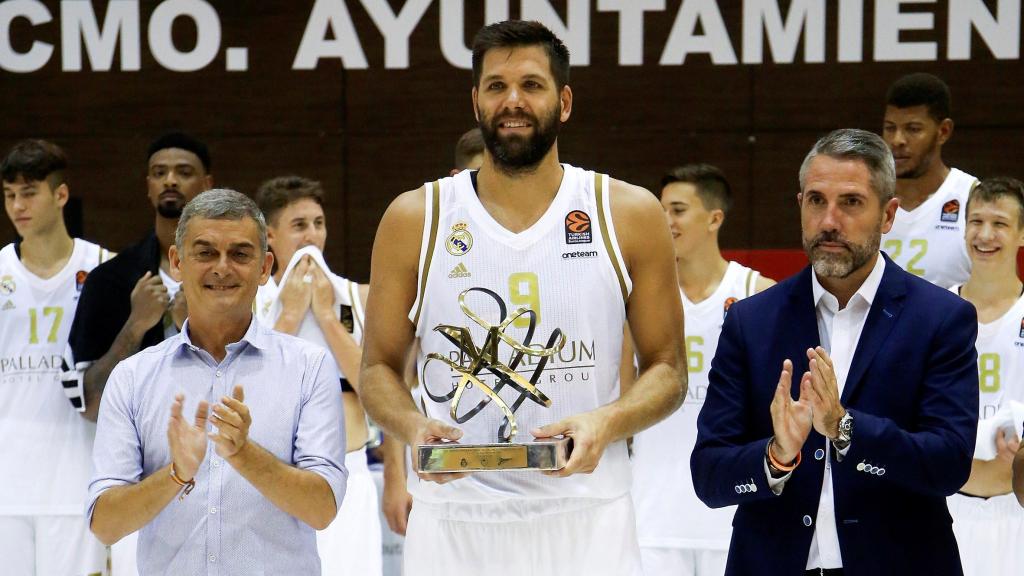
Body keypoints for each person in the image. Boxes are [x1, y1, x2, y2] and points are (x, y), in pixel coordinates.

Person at [358, 20, 686, 576]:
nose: (513, 101)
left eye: (531, 85)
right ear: (476, 101)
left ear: (564, 102)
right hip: (455, 523)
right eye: (496, 86)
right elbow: (377, 370)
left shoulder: (626, 213)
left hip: (588, 518)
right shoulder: (415, 217)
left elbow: (669, 371)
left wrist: (606, 422)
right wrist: (414, 428)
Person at [691, 128, 979, 575]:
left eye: (851, 202)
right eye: (816, 201)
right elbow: (709, 475)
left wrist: (846, 429)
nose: (829, 221)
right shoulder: (751, 322)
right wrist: (776, 456)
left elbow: (948, 465)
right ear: (799, 205)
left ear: (888, 215)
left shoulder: (941, 319)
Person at [87, 189, 348, 574]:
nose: (222, 268)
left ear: (264, 267)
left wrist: (243, 454)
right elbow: (105, 526)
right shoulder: (132, 377)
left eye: (240, 254)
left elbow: (322, 509)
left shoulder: (309, 367)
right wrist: (176, 474)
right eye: (205, 252)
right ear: (177, 262)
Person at [632, 164, 774, 576]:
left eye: (677, 210)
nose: (665, 222)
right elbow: (622, 391)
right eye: (660, 211)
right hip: (652, 516)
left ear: (715, 218)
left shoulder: (757, 294)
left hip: (732, 512)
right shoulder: (640, 298)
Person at [253, 175, 380, 576]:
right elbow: (244, 385)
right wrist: (290, 315)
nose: (312, 235)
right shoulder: (251, 303)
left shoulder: (358, 298)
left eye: (318, 224)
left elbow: (378, 392)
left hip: (349, 472)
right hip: (274, 474)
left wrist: (327, 316)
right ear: (269, 236)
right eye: (299, 225)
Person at [0, 140, 112, 575]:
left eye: (29, 193)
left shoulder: (104, 269)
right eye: (9, 195)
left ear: (60, 195)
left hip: (75, 483)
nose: (17, 205)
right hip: (7, 486)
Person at [67, 131, 214, 422]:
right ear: (149, 186)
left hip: (219, 445)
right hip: (141, 458)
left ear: (208, 185)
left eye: (183, 172)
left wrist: (194, 329)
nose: (170, 180)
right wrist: (135, 325)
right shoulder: (109, 280)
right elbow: (90, 407)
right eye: (160, 173)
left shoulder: (230, 276)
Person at [946, 177, 1024, 576]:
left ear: (1022, 234)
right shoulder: (932, 314)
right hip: (945, 507)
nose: (985, 234)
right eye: (975, 221)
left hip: (1018, 511)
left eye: (1000, 223)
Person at [881, 73, 978, 289]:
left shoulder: (973, 198)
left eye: (913, 129)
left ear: (943, 131)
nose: (897, 140)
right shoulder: (868, 196)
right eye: (890, 128)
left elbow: (1002, 298)